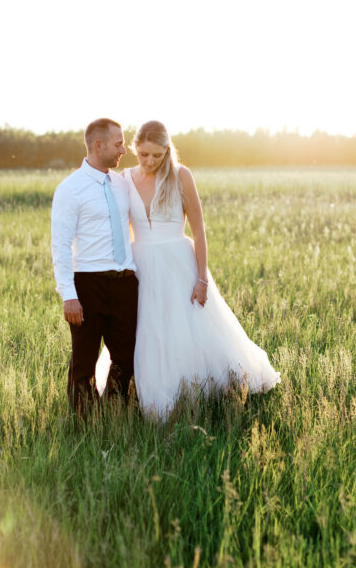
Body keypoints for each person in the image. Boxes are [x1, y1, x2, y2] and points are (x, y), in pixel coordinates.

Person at [96, 120, 280, 416]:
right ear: (134, 149)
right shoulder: (123, 179)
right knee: (146, 329)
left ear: (167, 150)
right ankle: (149, 396)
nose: (150, 161)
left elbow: (199, 230)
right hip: (139, 263)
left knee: (187, 327)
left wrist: (202, 278)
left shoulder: (182, 176)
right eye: (144, 154)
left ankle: (195, 390)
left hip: (179, 262)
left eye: (157, 155)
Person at [50, 118, 139, 416]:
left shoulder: (123, 184)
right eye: (118, 144)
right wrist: (68, 295)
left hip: (126, 283)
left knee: (127, 356)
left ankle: (113, 411)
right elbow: (60, 246)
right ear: (98, 145)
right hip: (88, 285)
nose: (124, 150)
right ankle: (83, 424)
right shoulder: (70, 189)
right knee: (84, 362)